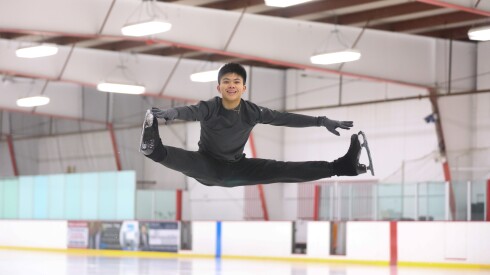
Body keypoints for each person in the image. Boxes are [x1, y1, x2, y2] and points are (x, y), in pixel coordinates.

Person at [140, 63, 372, 188]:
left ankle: (343, 167)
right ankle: (153, 148)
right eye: (226, 82)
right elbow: (190, 111)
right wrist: (171, 113)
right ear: (218, 88)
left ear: (244, 88)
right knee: (181, 159)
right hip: (207, 165)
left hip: (237, 168)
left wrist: (321, 121)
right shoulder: (210, 107)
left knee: (282, 170)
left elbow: (285, 118)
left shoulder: (252, 112)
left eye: (236, 82)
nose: (231, 85)